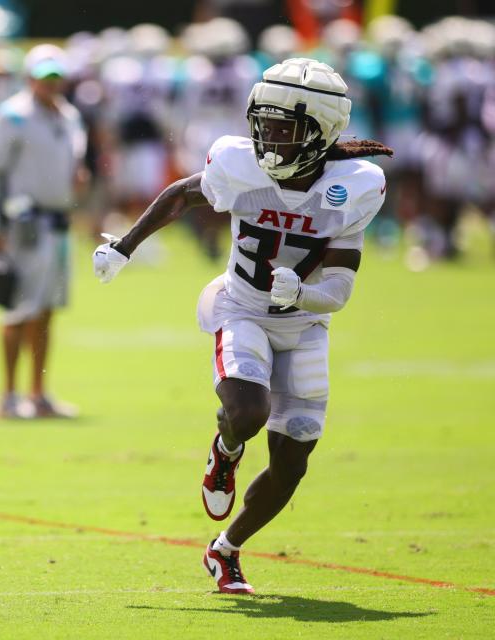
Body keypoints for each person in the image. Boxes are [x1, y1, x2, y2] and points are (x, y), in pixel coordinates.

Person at [93, 58, 392, 593]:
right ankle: (225, 449)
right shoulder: (240, 163)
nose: (268, 137)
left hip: (303, 323)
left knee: (292, 462)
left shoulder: (353, 187)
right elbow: (181, 194)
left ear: (321, 132)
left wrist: (306, 293)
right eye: (264, 122)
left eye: (284, 127)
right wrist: (123, 248)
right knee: (248, 412)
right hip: (242, 306)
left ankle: (225, 549)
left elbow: (342, 289)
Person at [0, 44, 88, 420]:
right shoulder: (12, 116)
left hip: (57, 224)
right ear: (29, 79)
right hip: (22, 224)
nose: (50, 84)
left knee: (47, 310)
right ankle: (8, 396)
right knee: (17, 309)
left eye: (56, 77)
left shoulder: (70, 116)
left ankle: (38, 395)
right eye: (44, 77)